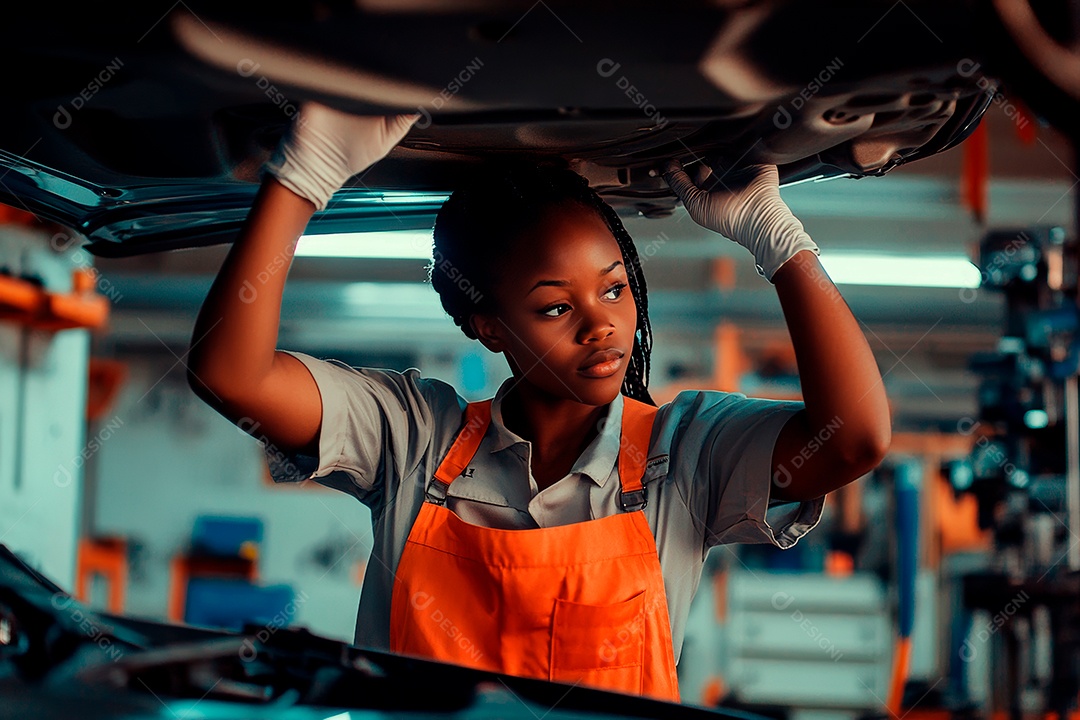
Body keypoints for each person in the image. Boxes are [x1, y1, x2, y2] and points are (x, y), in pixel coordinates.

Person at [187, 102, 891, 703]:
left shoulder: (686, 454)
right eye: (556, 307)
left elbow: (855, 437)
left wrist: (780, 241)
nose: (602, 324)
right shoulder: (412, 437)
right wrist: (301, 180)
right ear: (488, 325)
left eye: (615, 289)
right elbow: (230, 373)